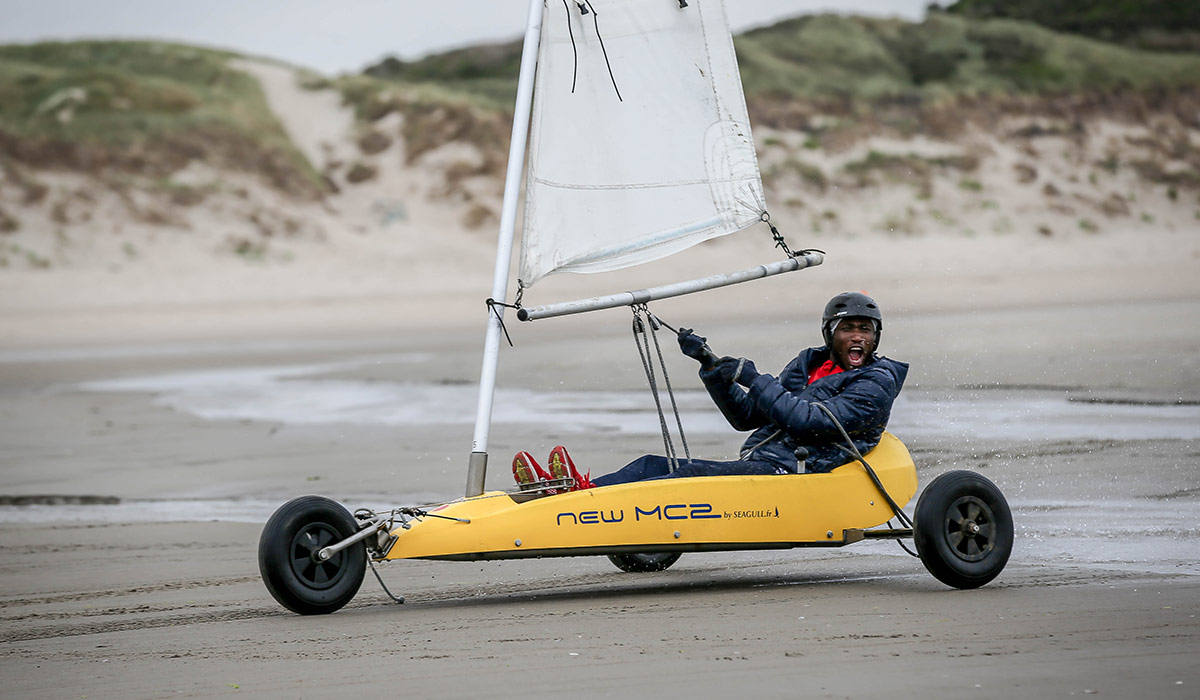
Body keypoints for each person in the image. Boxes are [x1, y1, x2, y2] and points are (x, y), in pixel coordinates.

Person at [512, 291, 908, 491]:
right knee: (654, 465)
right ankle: (577, 492)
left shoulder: (875, 382)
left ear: (875, 336)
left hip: (804, 474)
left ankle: (581, 502)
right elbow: (746, 417)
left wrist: (754, 377)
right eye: (847, 329)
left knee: (692, 473)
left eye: (865, 329)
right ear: (830, 334)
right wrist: (711, 366)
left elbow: (807, 421)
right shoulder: (809, 363)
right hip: (769, 464)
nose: (857, 337)